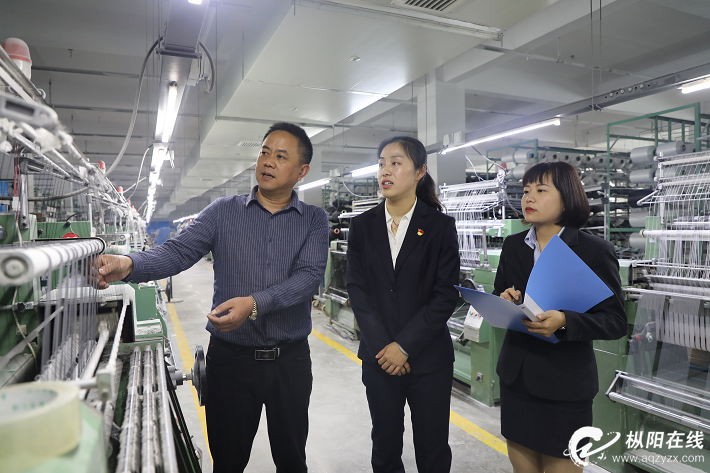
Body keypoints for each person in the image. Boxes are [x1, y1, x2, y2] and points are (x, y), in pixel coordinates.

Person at [96, 122, 329, 473]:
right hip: (231, 363)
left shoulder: (314, 220)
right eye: (264, 152)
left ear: (301, 171)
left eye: (281, 156)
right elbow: (177, 252)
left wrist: (253, 304)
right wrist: (129, 264)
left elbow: (308, 279)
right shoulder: (223, 212)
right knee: (228, 459)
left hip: (290, 362)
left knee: (292, 458)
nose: (268, 162)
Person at [494, 161, 626, 473]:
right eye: (526, 191)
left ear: (566, 198)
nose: (529, 198)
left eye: (541, 190)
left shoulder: (594, 251)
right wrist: (506, 299)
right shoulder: (513, 246)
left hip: (564, 386)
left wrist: (566, 320)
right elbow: (503, 291)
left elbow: (615, 320)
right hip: (517, 378)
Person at [346, 136, 460, 473]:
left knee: (433, 446)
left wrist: (405, 346)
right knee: (385, 443)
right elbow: (357, 290)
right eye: (382, 163)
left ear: (420, 171)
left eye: (396, 162)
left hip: (429, 360)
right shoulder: (362, 226)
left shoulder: (440, 227)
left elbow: (445, 295)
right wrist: (385, 348)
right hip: (379, 360)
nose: (385, 170)